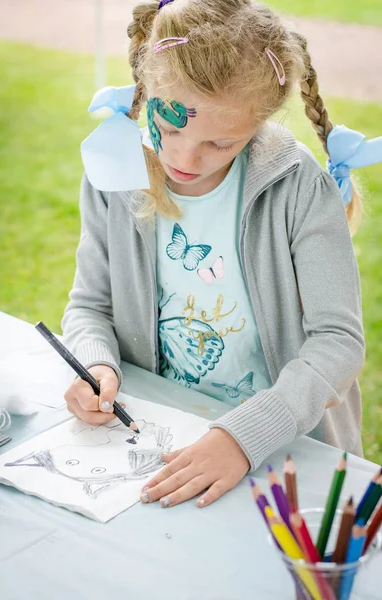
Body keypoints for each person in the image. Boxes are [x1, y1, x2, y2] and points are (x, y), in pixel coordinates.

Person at [62, 0, 382, 510]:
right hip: (161, 433)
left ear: (257, 123)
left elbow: (338, 343)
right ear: (150, 90)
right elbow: (90, 306)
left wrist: (242, 437)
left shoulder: (298, 188)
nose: (184, 159)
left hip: (282, 446)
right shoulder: (114, 168)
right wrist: (96, 366)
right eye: (169, 127)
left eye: (220, 142)